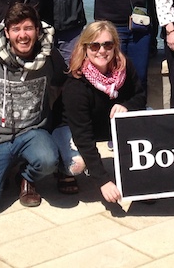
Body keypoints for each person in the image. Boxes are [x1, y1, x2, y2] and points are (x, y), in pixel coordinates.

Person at [0, 3, 68, 216]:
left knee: (48, 160)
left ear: (37, 31)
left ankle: (26, 177)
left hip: (33, 133)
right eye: (16, 29)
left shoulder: (50, 57)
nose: (22, 35)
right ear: (7, 32)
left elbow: (64, 86)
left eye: (28, 28)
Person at [53, 21, 145, 202]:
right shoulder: (76, 83)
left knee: (148, 116)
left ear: (114, 46)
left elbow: (141, 97)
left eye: (107, 45)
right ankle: (62, 168)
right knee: (77, 165)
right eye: (95, 45)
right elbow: (82, 136)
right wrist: (103, 180)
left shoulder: (125, 67)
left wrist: (128, 106)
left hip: (104, 123)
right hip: (71, 129)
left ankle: (139, 175)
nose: (102, 51)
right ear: (85, 47)